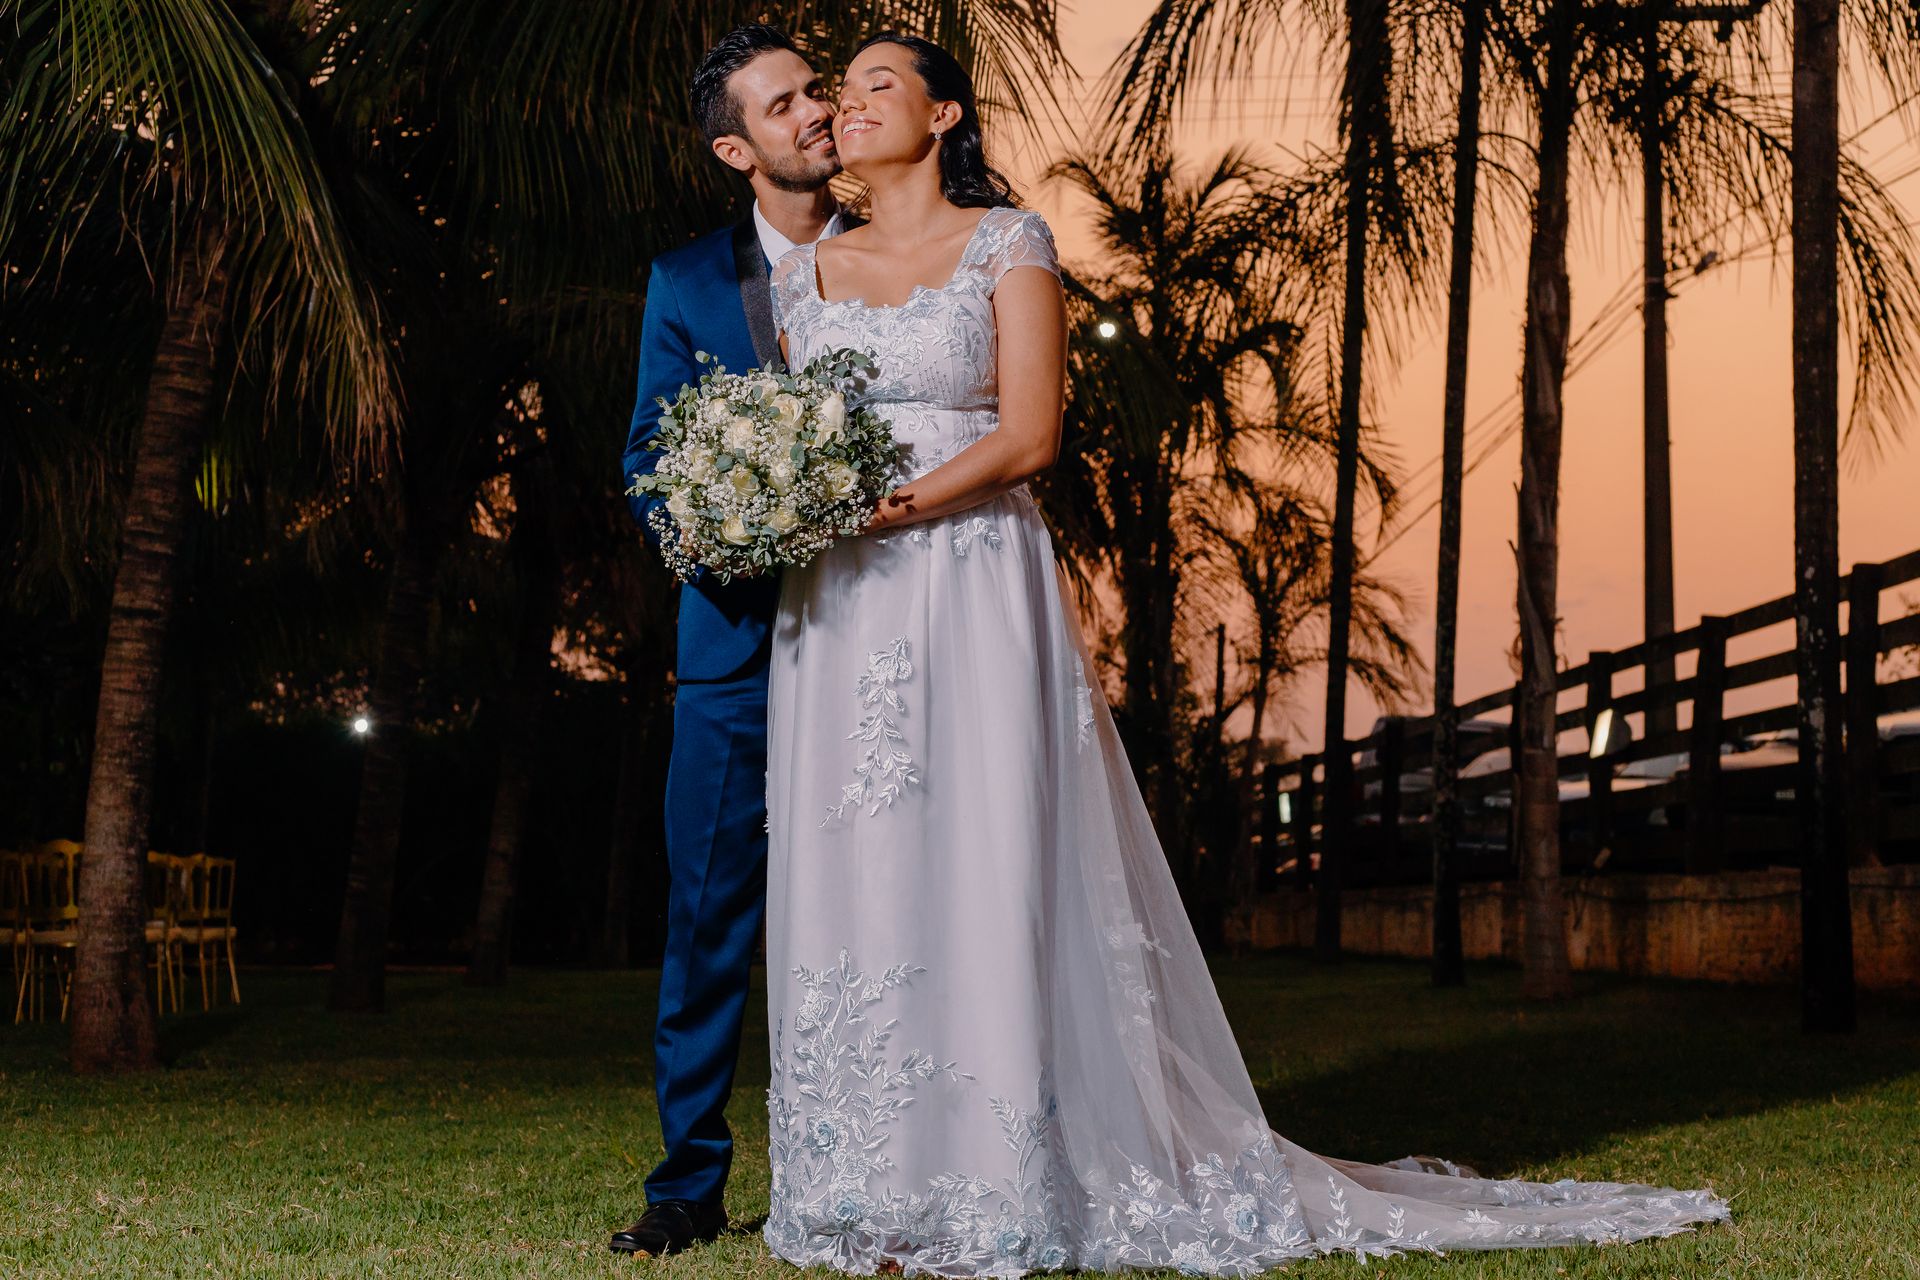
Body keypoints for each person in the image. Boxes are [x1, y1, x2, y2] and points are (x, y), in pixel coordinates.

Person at [759, 31, 1732, 1275]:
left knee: (984, 847)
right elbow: (797, 437)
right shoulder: (807, 275)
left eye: (878, 83)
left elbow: (1032, 434)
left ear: (945, 114)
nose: (847, 105)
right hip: (841, 606)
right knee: (861, 853)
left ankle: (998, 1171)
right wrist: (785, 503)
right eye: (839, 90)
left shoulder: (1007, 245)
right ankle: (866, 1180)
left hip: (968, 577)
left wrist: (900, 504)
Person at [612, 23, 858, 1259]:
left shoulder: (904, 253)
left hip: (882, 639)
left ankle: (883, 1154)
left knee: (885, 907)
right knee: (708, 916)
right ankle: (688, 1178)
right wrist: (727, 520)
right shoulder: (688, 281)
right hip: (734, 652)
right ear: (733, 147)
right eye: (785, 103)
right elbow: (649, 457)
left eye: (819, 89)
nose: (816, 112)